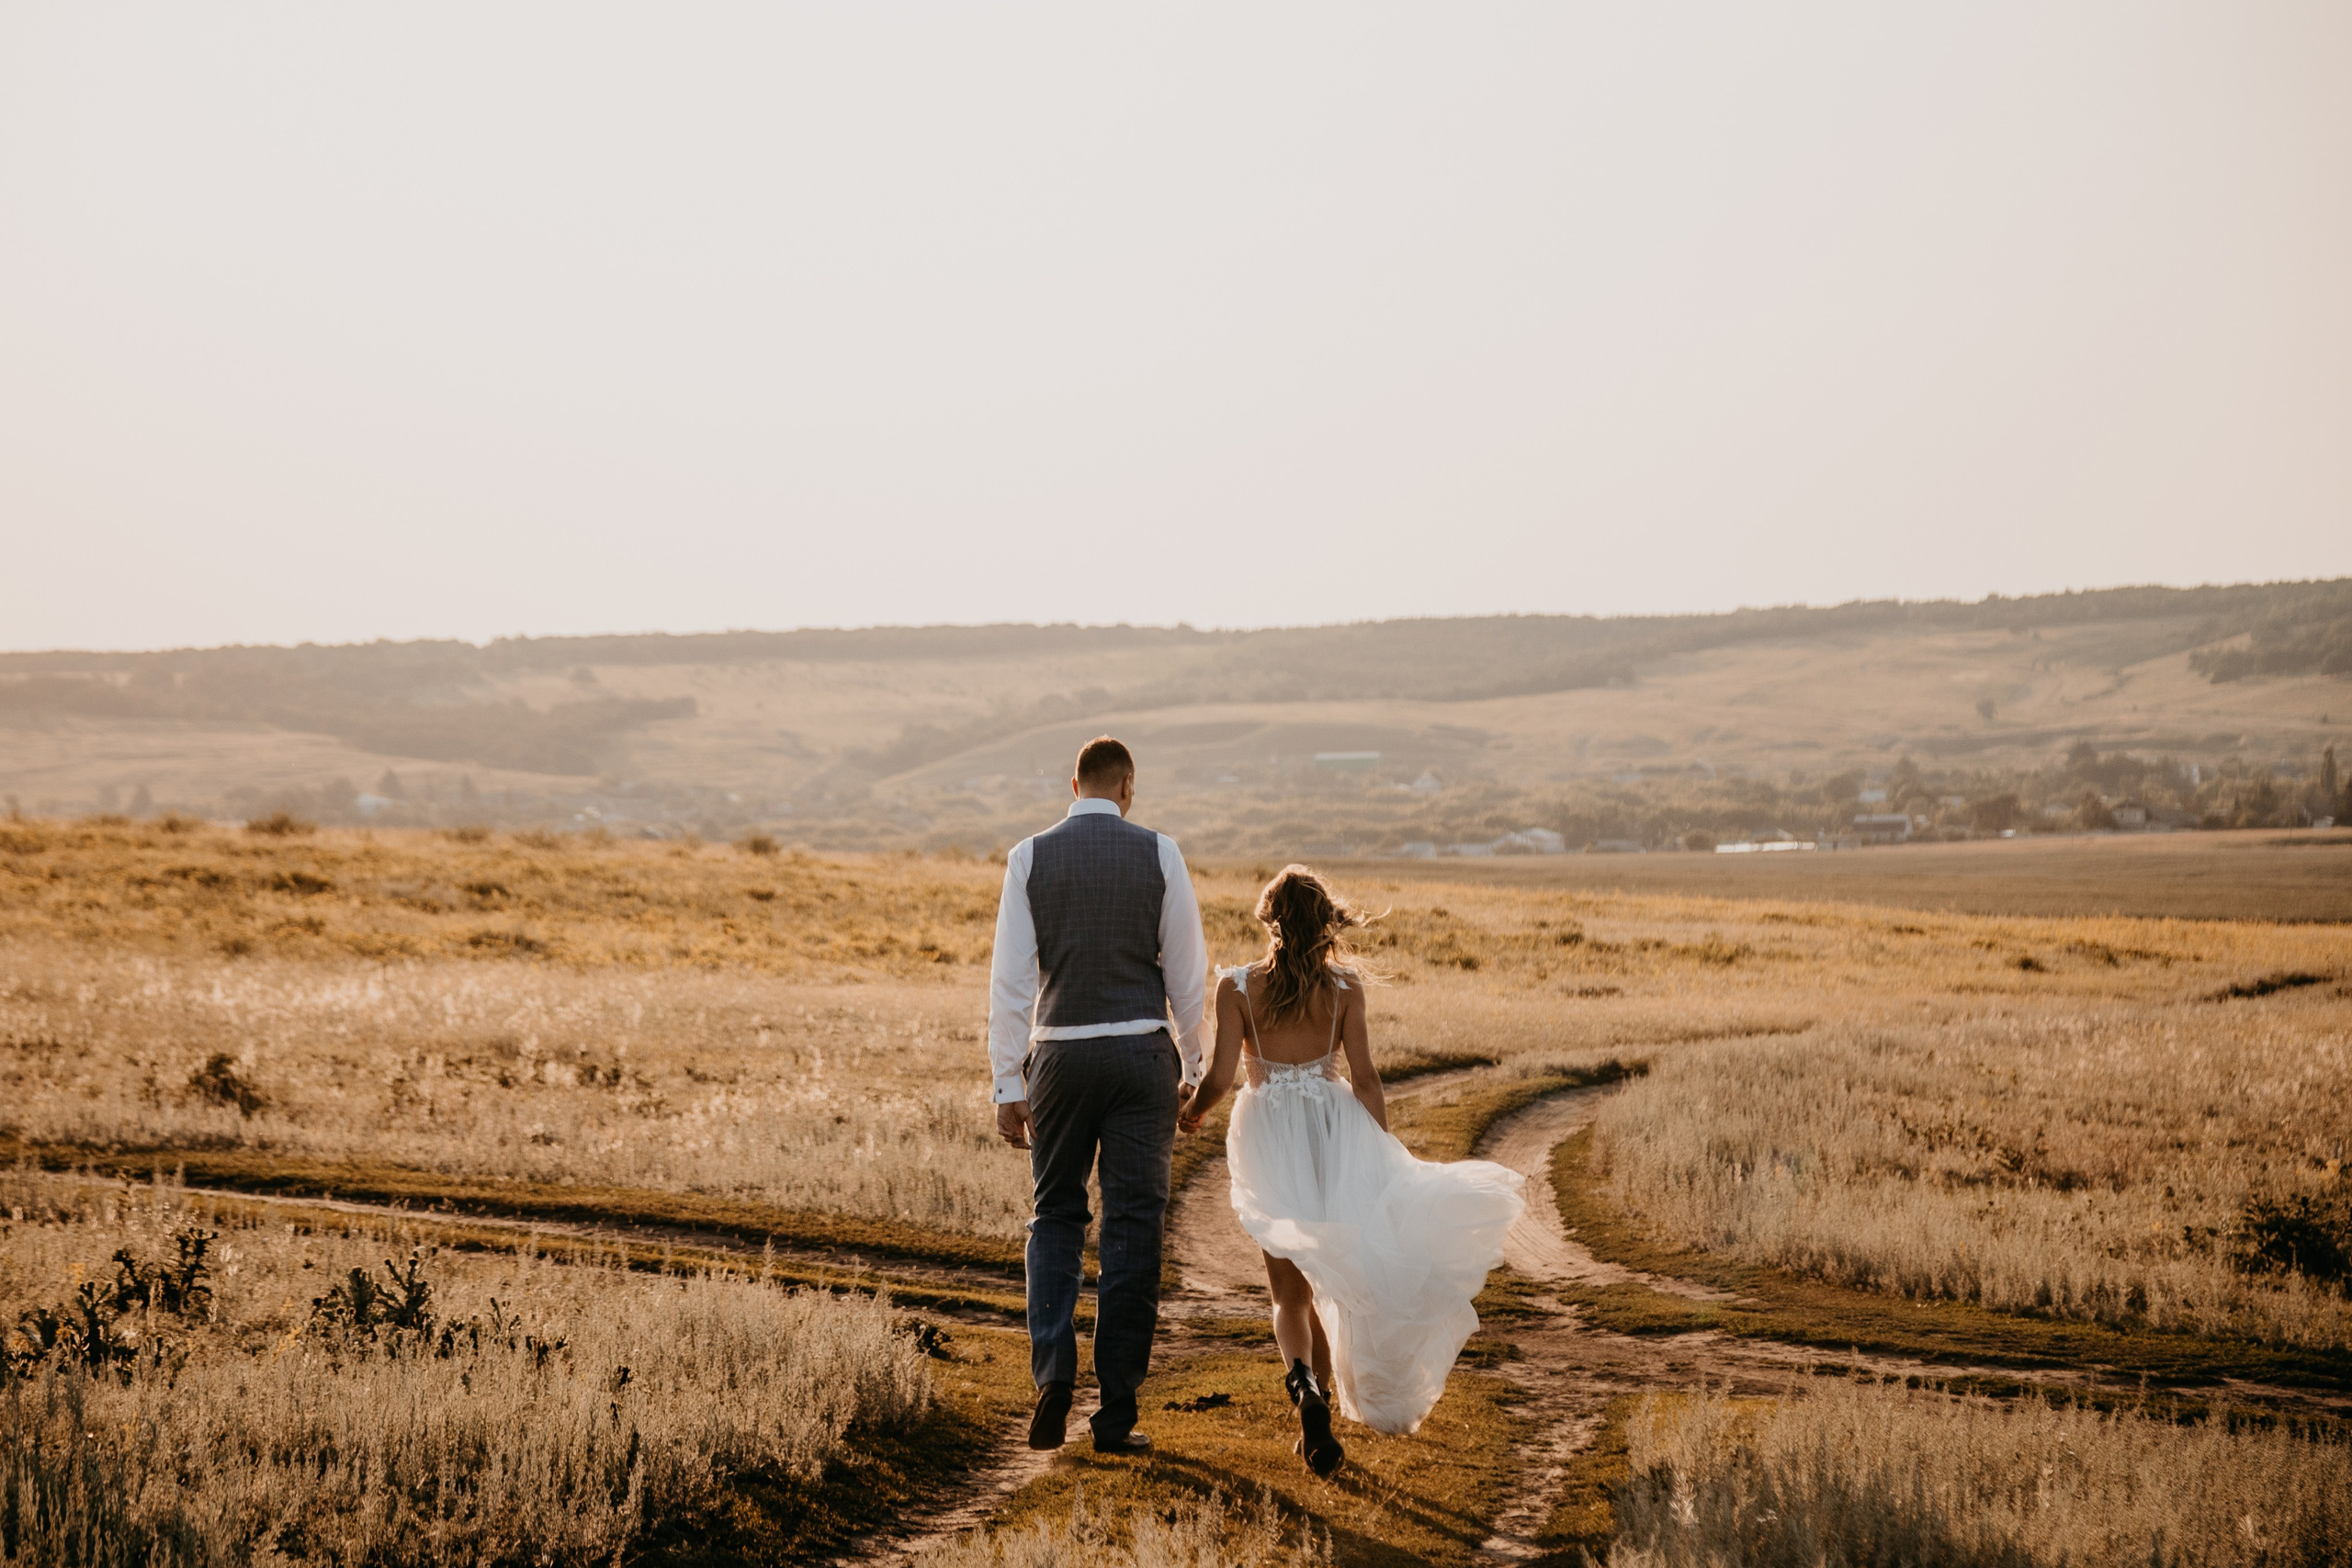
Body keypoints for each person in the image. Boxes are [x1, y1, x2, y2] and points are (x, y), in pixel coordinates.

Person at [1178, 865, 1523, 1476]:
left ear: (1269, 920)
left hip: (1269, 1134)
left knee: (1288, 1290)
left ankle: (1306, 1388)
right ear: (1324, 923)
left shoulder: (1235, 987)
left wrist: (1196, 1110)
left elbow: (1224, 1074)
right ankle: (1321, 1399)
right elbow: (1365, 1078)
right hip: (1335, 1132)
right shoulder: (1344, 988)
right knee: (1333, 1272)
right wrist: (1379, 1155)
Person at [988, 736, 1208, 1454]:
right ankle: (1114, 1413)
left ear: (1072, 783)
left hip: (1058, 1057)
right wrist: (1195, 1068)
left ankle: (1054, 1374)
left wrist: (1006, 1080)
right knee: (1133, 1230)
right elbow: (1187, 972)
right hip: (1141, 1052)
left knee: (1054, 1215)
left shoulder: (1028, 857)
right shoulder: (1160, 853)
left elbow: (1012, 983)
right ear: (1128, 788)